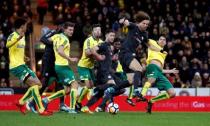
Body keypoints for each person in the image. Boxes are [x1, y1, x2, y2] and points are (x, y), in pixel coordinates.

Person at [6, 18, 52, 116]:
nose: (26, 27)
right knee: (35, 84)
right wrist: (18, 38)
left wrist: (24, 57)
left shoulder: (22, 37)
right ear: (22, 26)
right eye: (26, 25)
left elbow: (17, 50)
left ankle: (21, 102)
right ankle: (40, 109)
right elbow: (8, 45)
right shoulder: (13, 35)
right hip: (16, 66)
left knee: (38, 85)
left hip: (22, 64)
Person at [26, 24, 70, 113]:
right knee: (44, 83)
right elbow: (43, 39)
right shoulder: (53, 32)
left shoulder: (63, 37)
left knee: (60, 82)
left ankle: (61, 105)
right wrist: (54, 44)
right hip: (48, 61)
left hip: (56, 62)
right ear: (61, 28)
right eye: (62, 27)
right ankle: (32, 102)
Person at [41, 22, 79, 114]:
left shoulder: (57, 36)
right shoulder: (64, 39)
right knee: (75, 85)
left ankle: (47, 99)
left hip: (58, 66)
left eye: (72, 30)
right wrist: (70, 58)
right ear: (64, 29)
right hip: (63, 66)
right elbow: (60, 51)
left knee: (67, 89)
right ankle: (72, 108)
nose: (71, 32)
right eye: (69, 30)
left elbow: (49, 40)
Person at [140, 36, 179, 114]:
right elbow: (144, 40)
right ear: (157, 40)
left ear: (166, 43)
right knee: (152, 80)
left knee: (172, 93)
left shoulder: (164, 53)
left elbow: (161, 69)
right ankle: (141, 95)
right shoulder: (152, 42)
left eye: (164, 40)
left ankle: (151, 101)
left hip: (159, 72)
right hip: (152, 67)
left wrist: (170, 71)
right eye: (160, 39)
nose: (162, 40)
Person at [118, 11, 151, 101]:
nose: (145, 25)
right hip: (125, 53)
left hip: (128, 55)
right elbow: (126, 23)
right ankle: (136, 91)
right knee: (139, 69)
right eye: (143, 23)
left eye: (147, 24)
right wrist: (123, 20)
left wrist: (160, 50)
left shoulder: (145, 34)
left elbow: (149, 45)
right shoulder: (133, 26)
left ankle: (112, 89)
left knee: (131, 81)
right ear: (139, 23)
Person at [76, 24, 103, 110]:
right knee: (87, 85)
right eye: (96, 30)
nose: (98, 31)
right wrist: (96, 50)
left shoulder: (101, 42)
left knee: (91, 86)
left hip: (91, 67)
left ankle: (79, 101)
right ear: (92, 32)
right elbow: (87, 53)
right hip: (83, 65)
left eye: (99, 30)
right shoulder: (88, 40)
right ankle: (78, 103)